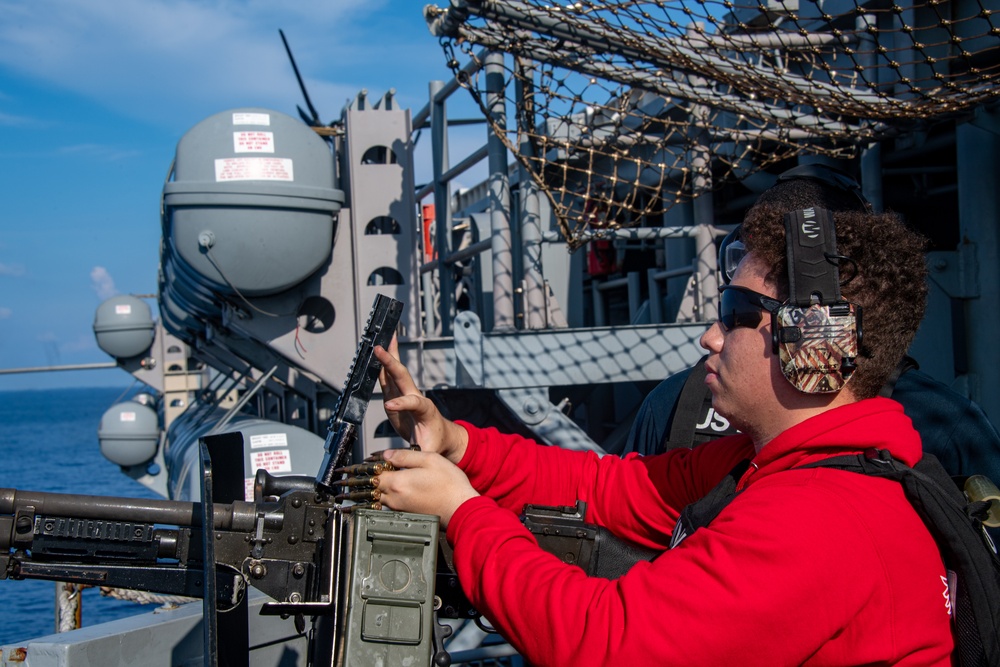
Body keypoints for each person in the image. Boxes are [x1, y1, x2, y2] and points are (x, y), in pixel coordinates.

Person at [366, 171, 954, 665]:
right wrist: (458, 445)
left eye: (734, 313)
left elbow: (606, 641)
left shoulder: (819, 517)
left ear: (812, 342)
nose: (710, 336)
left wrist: (462, 512)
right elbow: (611, 488)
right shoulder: (767, 465)